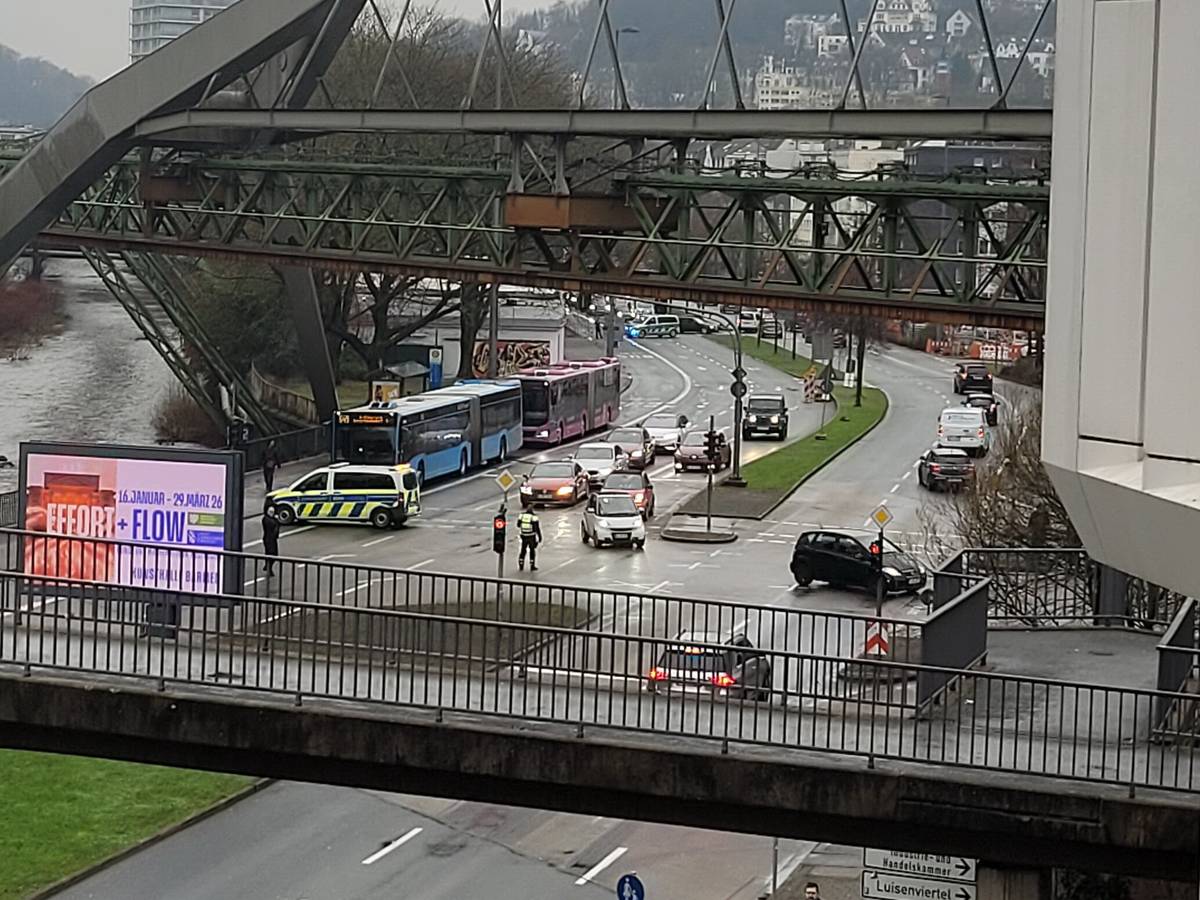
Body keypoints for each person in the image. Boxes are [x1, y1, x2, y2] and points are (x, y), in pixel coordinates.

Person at [261, 503, 280, 575]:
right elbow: (274, 526)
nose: (272, 513)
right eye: (271, 512)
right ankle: (269, 568)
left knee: (272, 554)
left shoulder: (271, 519)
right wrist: (276, 521)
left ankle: (267, 566)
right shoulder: (267, 520)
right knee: (271, 554)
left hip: (272, 539)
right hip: (269, 539)